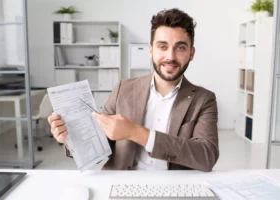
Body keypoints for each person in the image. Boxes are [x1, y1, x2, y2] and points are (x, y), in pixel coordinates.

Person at [48, 8, 219, 172]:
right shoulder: (124, 88)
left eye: (180, 47)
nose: (170, 57)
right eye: (162, 46)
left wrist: (136, 132)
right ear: (151, 50)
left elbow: (206, 156)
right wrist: (73, 138)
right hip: (121, 181)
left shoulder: (204, 99)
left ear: (191, 53)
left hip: (173, 185)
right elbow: (99, 146)